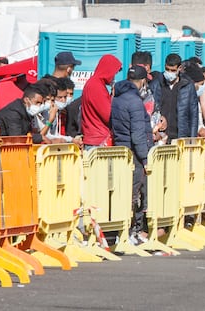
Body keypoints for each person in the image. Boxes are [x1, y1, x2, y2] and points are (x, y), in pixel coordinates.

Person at [111, 65, 153, 245]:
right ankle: (130, 231)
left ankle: (123, 231)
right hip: (134, 153)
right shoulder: (135, 102)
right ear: (143, 81)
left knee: (122, 192)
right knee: (133, 193)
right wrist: (144, 158)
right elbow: (138, 133)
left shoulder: (117, 98)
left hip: (120, 149)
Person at [150, 53, 198, 143]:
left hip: (180, 136)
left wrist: (192, 139)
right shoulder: (156, 84)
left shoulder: (187, 86)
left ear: (179, 68)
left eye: (173, 70)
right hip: (161, 137)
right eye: (167, 69)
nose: (169, 73)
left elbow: (193, 115)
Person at [81, 54, 122, 149]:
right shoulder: (96, 86)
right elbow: (108, 115)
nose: (114, 77)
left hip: (96, 138)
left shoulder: (95, 84)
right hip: (98, 140)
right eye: (113, 73)